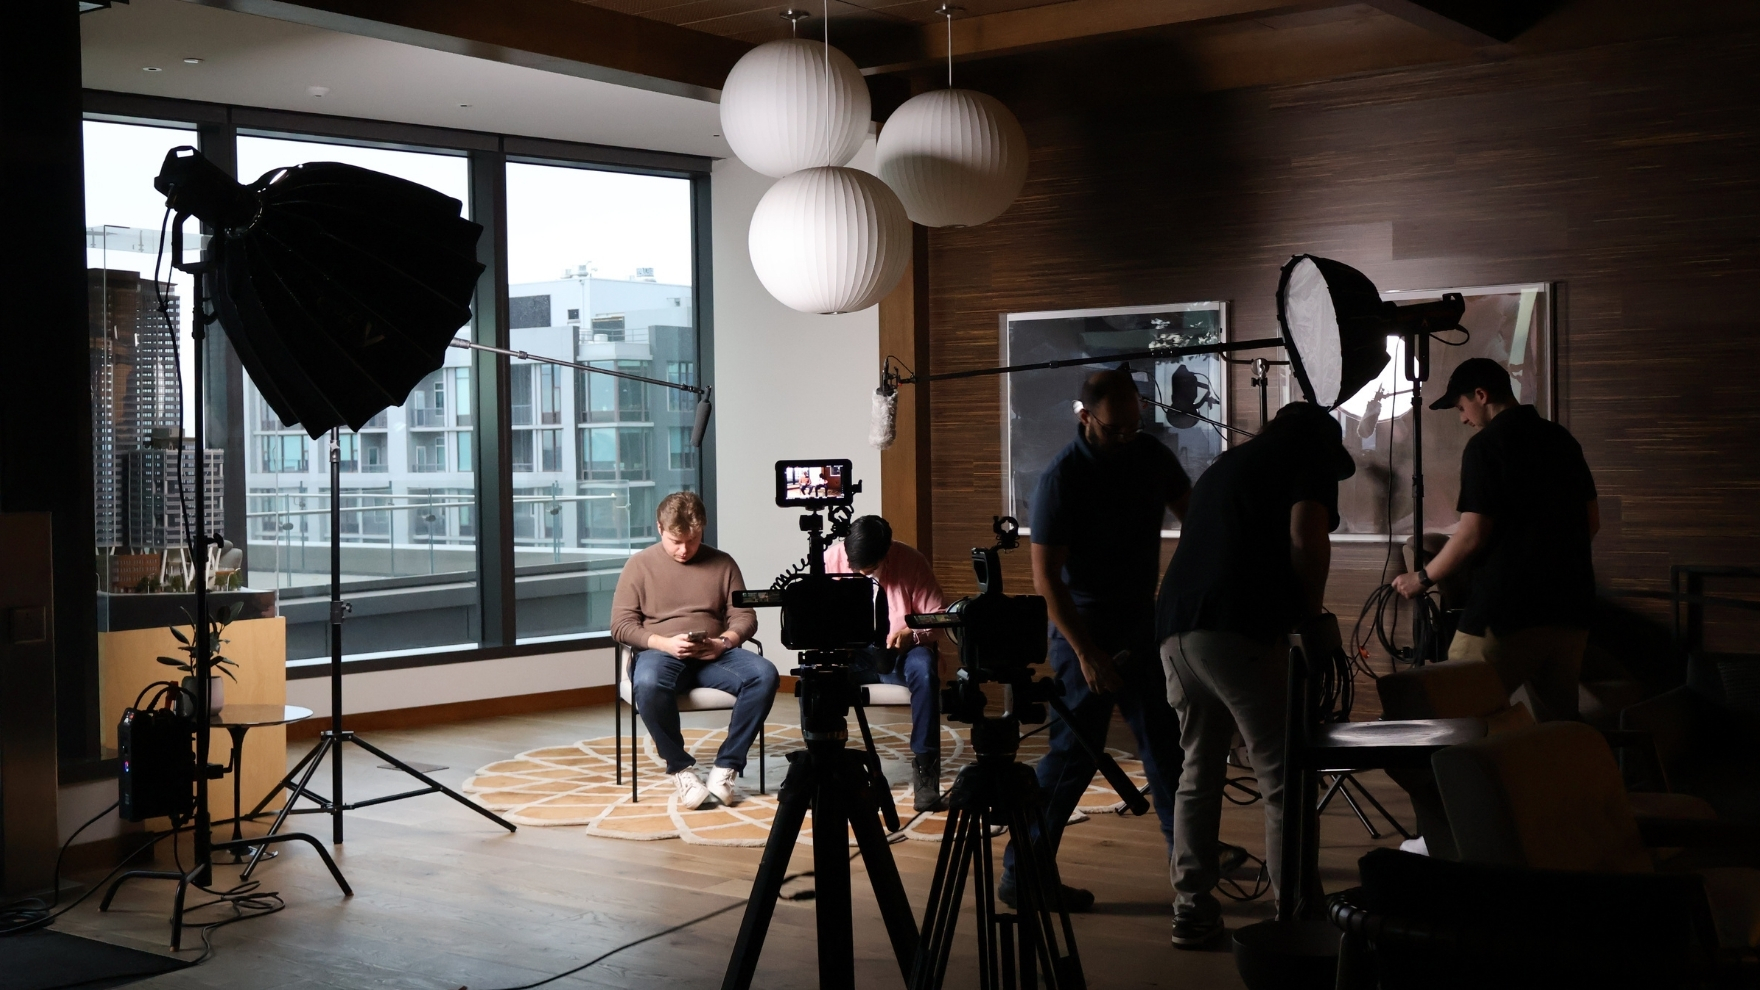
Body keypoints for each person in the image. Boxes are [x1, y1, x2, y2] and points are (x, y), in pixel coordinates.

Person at [1155, 401, 1351, 948]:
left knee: (1198, 770)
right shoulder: (1305, 461)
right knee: (1285, 776)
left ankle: (1191, 909)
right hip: (1237, 628)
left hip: (1174, 630)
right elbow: (1306, 535)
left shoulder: (1225, 465)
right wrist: (1311, 617)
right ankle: (1299, 913)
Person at [999, 368, 1192, 913]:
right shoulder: (1062, 479)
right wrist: (1086, 653)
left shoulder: (1151, 455)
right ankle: (1023, 873)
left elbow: (1194, 516)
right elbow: (1044, 579)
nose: (1127, 436)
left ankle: (1191, 868)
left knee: (1166, 747)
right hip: (1079, 629)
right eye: (1115, 429)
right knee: (1072, 758)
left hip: (1142, 622)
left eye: (1134, 425)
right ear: (1086, 418)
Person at [1392, 357, 1599, 721]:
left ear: (1481, 395)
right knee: (1559, 732)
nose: (1462, 418)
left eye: (1461, 407)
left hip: (1507, 611)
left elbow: (1472, 534)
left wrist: (1421, 578)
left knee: (1453, 717)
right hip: (1571, 609)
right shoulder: (1561, 439)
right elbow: (1591, 523)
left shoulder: (1486, 447)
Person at [611, 491, 779, 810]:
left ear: (702, 530)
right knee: (646, 683)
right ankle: (681, 769)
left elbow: (744, 616)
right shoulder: (639, 566)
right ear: (660, 528)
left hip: (715, 654)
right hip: (660, 653)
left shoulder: (722, 563)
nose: (685, 549)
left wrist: (724, 642)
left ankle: (726, 766)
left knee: (764, 674)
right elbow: (621, 625)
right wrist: (663, 643)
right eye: (676, 541)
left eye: (693, 539)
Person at [825, 515, 949, 812]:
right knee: (816, 675)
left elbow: (939, 616)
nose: (862, 573)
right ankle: (826, 764)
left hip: (903, 650)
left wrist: (914, 633)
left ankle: (926, 767)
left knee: (924, 670)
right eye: (857, 568)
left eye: (869, 569)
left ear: (887, 552)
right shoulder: (832, 558)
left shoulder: (911, 561)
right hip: (854, 653)